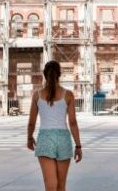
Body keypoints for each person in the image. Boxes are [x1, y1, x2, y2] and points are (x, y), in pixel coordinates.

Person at [27, 60, 83, 191]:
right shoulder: (68, 95)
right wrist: (78, 146)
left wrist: (29, 138)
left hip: (45, 139)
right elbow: (73, 122)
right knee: (61, 185)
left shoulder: (37, 95)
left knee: (50, 185)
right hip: (63, 139)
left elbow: (31, 122)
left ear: (44, 75)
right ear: (59, 75)